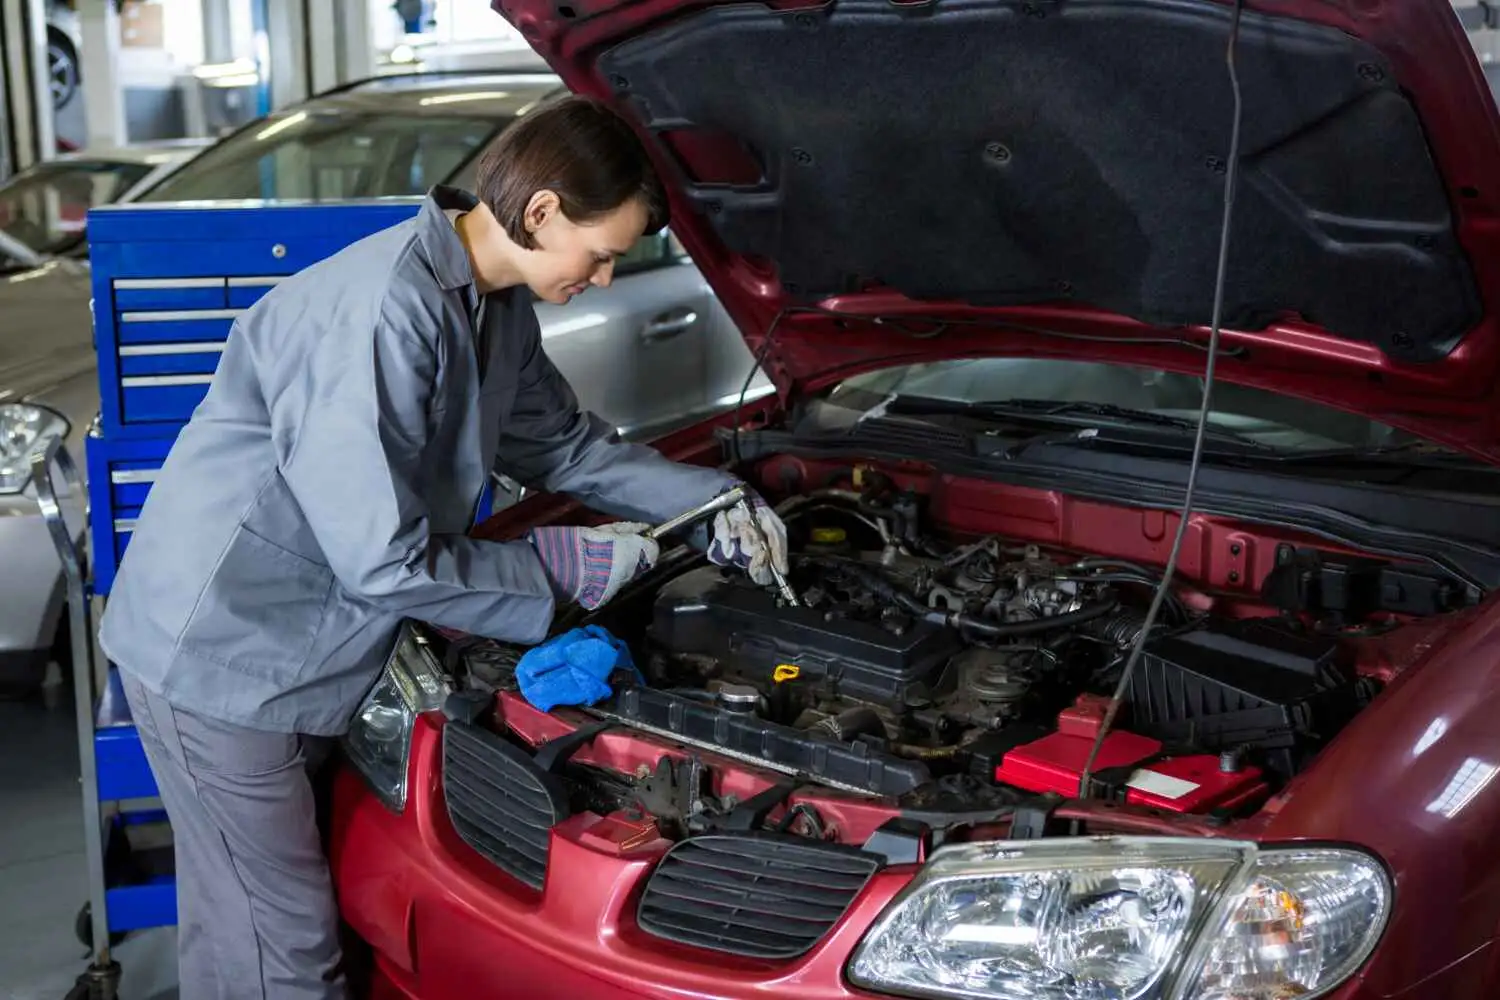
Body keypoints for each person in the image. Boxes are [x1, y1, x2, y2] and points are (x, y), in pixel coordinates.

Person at [97, 95, 789, 1000]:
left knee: (242, 925)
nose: (607, 277)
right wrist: (557, 566)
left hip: (297, 645)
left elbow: (566, 447)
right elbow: (380, 558)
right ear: (541, 212)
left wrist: (710, 499)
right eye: (604, 252)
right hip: (227, 655)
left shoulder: (493, 310)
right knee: (286, 951)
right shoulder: (386, 313)